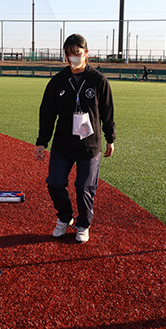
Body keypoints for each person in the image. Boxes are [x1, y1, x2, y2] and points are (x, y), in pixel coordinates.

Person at [35, 34, 116, 243]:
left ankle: (83, 224)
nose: (73, 58)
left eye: (77, 53)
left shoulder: (99, 80)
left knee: (84, 187)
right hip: (63, 144)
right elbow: (47, 113)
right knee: (54, 183)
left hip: (89, 146)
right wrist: (42, 141)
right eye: (69, 54)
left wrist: (110, 138)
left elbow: (107, 112)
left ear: (86, 53)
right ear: (65, 56)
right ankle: (65, 217)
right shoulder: (57, 82)